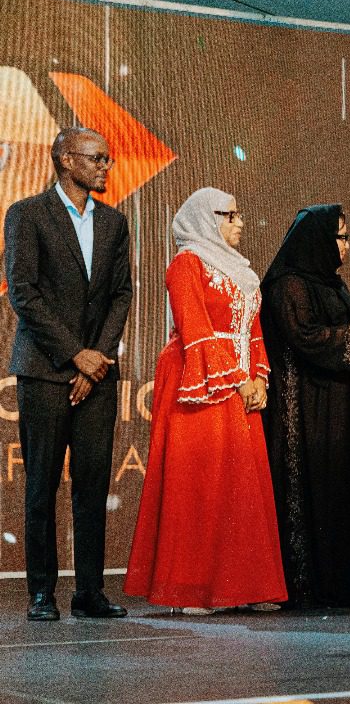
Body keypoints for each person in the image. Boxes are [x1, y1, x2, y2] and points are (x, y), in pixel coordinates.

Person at [125, 188, 287, 614]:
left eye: (238, 214)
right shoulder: (186, 263)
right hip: (198, 379)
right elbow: (195, 328)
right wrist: (238, 380)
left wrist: (258, 377)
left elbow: (251, 329)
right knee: (201, 482)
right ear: (205, 219)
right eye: (229, 215)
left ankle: (245, 586)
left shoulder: (240, 270)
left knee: (241, 483)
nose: (239, 222)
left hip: (239, 380)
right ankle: (193, 588)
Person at [4, 127, 132, 621]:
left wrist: (95, 359)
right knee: (41, 486)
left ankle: (90, 592)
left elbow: (121, 294)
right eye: (96, 158)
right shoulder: (27, 214)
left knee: (92, 486)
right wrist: (75, 355)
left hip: (97, 375)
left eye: (107, 158)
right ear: (65, 160)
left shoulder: (114, 222)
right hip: (44, 370)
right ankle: (42, 593)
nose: (105, 166)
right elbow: (24, 293)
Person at [261, 204, 350, 608]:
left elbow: (345, 337)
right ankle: (309, 585)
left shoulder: (332, 283)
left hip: (339, 402)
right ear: (318, 240)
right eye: (341, 236)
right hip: (306, 405)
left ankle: (344, 583)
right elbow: (304, 335)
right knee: (310, 488)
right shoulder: (288, 284)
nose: (346, 244)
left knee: (342, 486)